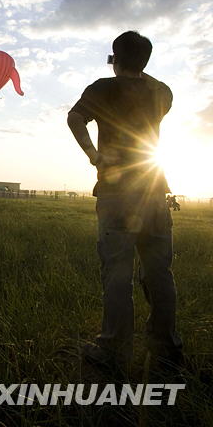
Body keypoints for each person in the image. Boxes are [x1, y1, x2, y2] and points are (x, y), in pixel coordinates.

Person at [67, 31, 183, 374]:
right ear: (146, 60)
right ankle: (167, 348)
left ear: (115, 58)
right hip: (154, 188)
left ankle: (114, 350)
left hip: (118, 192)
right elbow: (142, 88)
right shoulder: (162, 92)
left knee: (117, 275)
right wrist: (131, 68)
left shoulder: (103, 88)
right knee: (160, 273)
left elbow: (74, 118)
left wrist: (94, 155)